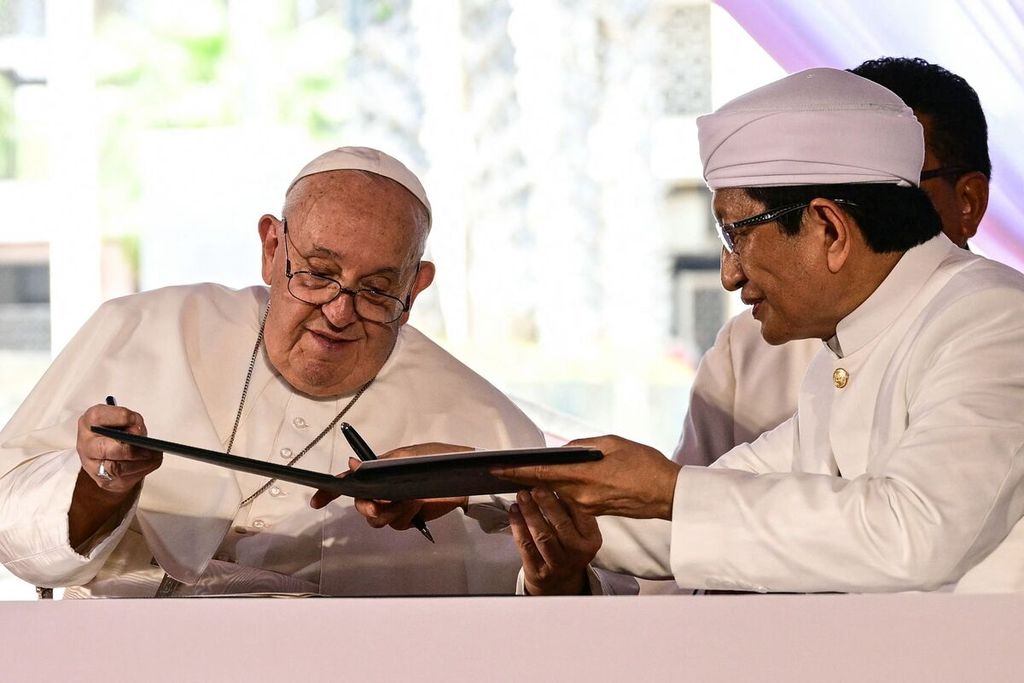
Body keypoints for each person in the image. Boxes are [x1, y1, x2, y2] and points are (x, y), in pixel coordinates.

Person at [385, 68, 1024, 594]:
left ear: (828, 229)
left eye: (736, 232)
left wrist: (668, 489)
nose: (726, 273)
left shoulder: (991, 317)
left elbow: (912, 535)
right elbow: (699, 509)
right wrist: (473, 482)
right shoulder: (854, 351)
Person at [0, 146, 545, 597]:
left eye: (378, 289)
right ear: (271, 247)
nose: (339, 310)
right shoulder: (139, 328)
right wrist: (98, 489)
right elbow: (12, 524)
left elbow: (542, 595)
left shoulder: (483, 423)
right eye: (318, 273)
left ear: (416, 286)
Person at [676, 57, 992, 468]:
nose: (731, 276)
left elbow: (908, 522)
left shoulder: (994, 320)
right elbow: (682, 510)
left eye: (898, 187)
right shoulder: (753, 345)